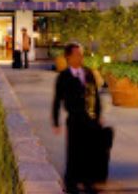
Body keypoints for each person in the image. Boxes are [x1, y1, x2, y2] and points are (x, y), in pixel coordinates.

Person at [52, 42, 104, 193]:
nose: (80, 57)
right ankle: (71, 183)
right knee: (74, 152)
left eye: (81, 54)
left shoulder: (88, 73)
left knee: (89, 152)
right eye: (77, 54)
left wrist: (99, 115)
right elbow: (57, 100)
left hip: (91, 119)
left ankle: (88, 182)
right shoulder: (63, 77)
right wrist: (56, 122)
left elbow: (96, 95)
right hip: (75, 119)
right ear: (68, 57)